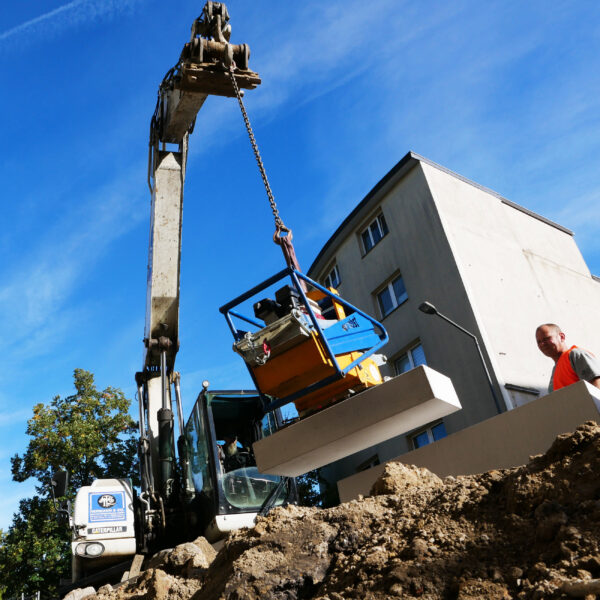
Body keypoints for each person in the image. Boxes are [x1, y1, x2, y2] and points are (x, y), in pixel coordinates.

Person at [535, 323, 600, 392]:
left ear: (562, 337)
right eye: (539, 342)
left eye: (546, 339)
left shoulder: (575, 355)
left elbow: (596, 385)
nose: (542, 344)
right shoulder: (555, 370)